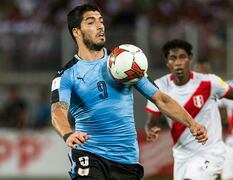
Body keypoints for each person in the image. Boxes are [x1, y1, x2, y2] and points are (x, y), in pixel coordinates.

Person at [50, 4, 208, 180]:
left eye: (101, 21)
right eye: (91, 22)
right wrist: (68, 134)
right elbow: (58, 110)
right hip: (89, 153)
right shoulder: (67, 75)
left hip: (126, 160)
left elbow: (160, 99)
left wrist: (192, 123)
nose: (100, 26)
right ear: (76, 32)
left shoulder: (123, 62)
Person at [144, 39, 233, 180]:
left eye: (182, 57)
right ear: (167, 62)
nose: (178, 62)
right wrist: (151, 130)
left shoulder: (209, 82)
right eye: (173, 58)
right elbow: (151, 121)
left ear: (190, 59)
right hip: (181, 155)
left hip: (210, 152)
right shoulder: (159, 87)